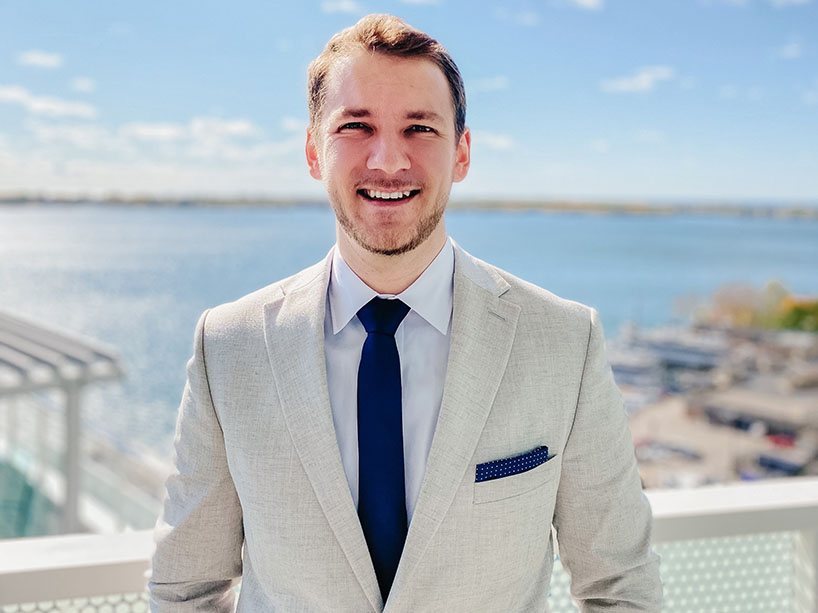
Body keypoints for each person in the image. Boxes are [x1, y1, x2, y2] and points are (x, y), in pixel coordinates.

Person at [149, 13, 662, 612]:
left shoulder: (564, 343)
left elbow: (621, 586)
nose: (388, 161)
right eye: (356, 127)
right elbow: (185, 589)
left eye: (419, 128)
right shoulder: (229, 347)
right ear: (314, 152)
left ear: (462, 153)